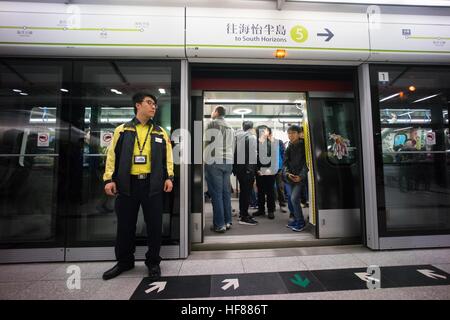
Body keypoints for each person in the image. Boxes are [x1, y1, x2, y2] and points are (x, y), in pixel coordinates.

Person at [102, 92, 174, 281]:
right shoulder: (122, 130)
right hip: (128, 184)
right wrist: (109, 179)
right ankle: (125, 261)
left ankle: (153, 262)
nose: (153, 107)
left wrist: (170, 177)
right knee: (125, 226)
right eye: (149, 103)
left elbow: (168, 157)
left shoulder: (159, 131)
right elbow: (112, 156)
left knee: (154, 226)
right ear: (137, 105)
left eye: (155, 104)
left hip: (153, 184)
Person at [204, 105, 235, 232]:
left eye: (213, 111)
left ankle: (219, 225)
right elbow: (233, 146)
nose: (212, 113)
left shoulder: (211, 124)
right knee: (226, 193)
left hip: (215, 161)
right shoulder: (231, 127)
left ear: (216, 112)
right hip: (228, 161)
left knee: (216, 194)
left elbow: (206, 143)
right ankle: (228, 221)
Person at [233, 121, 258, 226]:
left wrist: (235, 169)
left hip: (240, 170)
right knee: (246, 194)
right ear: (252, 128)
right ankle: (244, 217)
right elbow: (252, 155)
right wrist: (251, 170)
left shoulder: (238, 138)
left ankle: (243, 213)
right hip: (247, 170)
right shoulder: (251, 137)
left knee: (243, 193)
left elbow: (235, 154)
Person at [283, 125, 307, 232]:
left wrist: (301, 176)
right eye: (289, 133)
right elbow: (285, 163)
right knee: (293, 200)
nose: (290, 135)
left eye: (293, 133)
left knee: (293, 199)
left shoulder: (304, 146)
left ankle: (300, 222)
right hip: (291, 177)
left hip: (300, 178)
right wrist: (287, 173)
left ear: (298, 134)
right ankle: (297, 220)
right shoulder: (289, 146)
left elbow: (307, 163)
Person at [254, 125, 279, 220]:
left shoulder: (272, 143)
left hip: (270, 171)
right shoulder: (256, 144)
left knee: (270, 191)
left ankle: (271, 210)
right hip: (259, 171)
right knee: (260, 191)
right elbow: (254, 158)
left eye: (265, 131)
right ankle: (261, 209)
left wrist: (270, 170)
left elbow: (275, 158)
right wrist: (257, 170)